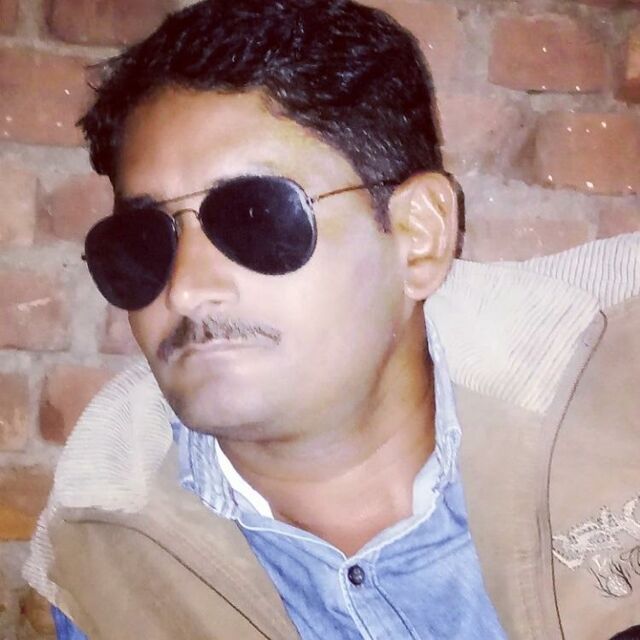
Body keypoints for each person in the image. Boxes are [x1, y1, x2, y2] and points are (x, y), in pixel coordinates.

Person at [24, 1, 639, 638]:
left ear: (418, 236)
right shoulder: (99, 568)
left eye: (257, 216)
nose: (185, 288)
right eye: (142, 242)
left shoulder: (623, 380)